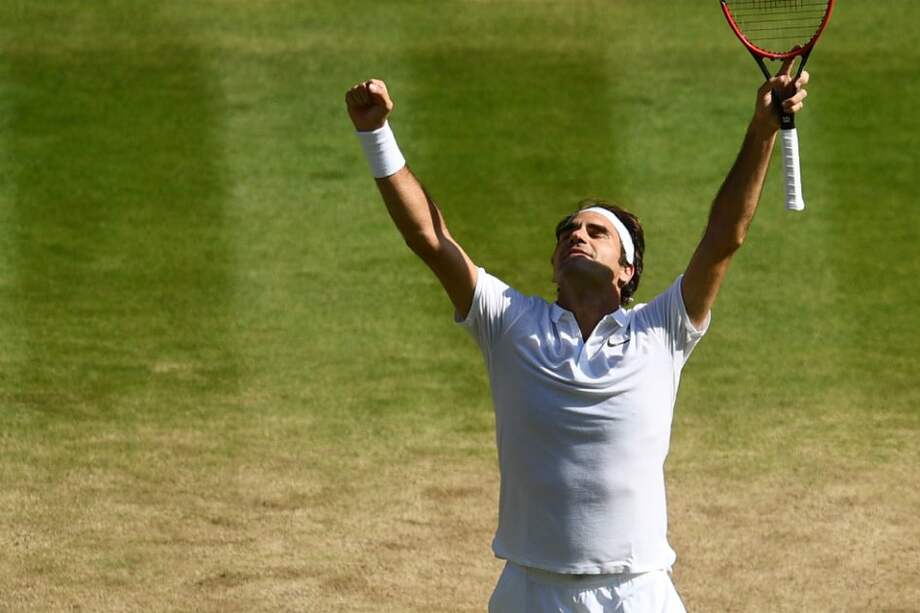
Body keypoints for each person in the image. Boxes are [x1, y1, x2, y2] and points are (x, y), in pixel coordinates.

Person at [345, 61, 809, 613]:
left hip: (638, 592)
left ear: (628, 271)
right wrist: (376, 133)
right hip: (530, 591)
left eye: (596, 232)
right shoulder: (509, 321)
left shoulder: (661, 330)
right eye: (568, 232)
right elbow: (429, 237)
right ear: (554, 264)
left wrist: (761, 131)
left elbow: (725, 236)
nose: (577, 237)